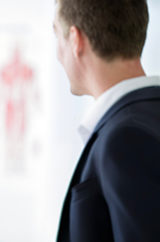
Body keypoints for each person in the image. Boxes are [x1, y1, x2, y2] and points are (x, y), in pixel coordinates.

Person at [53, 0, 160, 241]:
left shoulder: (126, 139)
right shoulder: (146, 118)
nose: (57, 54)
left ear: (75, 40)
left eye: (56, 35)